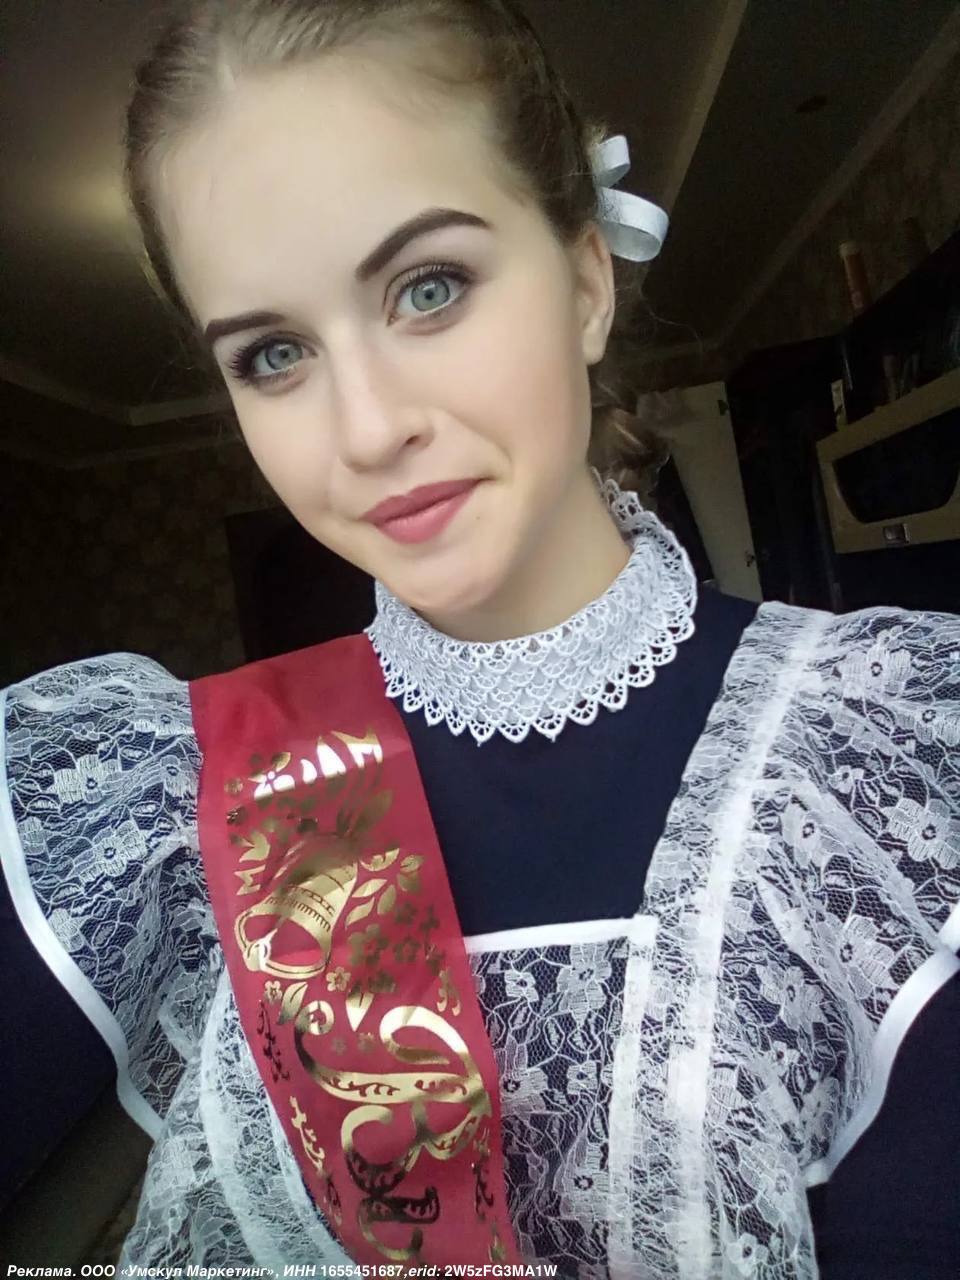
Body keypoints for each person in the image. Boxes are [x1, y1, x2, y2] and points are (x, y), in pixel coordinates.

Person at [2, 0, 958, 1274]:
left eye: (429, 287)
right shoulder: (163, 798)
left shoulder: (890, 756)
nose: (367, 427)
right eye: (274, 353)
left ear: (586, 282)